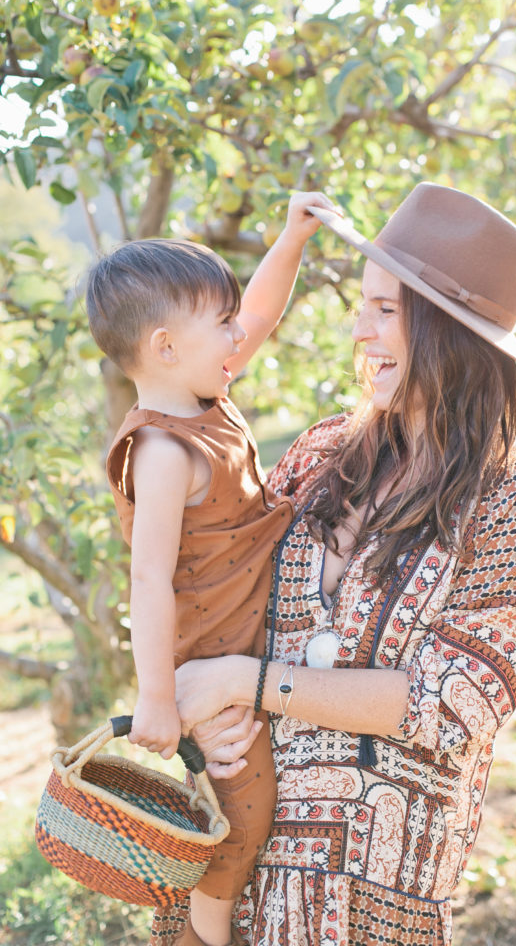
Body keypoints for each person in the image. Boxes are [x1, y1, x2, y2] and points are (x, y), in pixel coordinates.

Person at [165, 182, 516, 946]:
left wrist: (251, 685)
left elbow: (454, 703)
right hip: (229, 864)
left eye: (384, 310)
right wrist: (206, 723)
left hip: (370, 900)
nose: (360, 332)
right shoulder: (321, 453)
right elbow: (229, 593)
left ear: (451, 330)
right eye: (362, 306)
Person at [84, 191, 339, 946]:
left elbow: (260, 314)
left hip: (241, 633)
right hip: (208, 650)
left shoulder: (205, 394)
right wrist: (159, 697)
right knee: (243, 810)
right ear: (165, 346)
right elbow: (148, 580)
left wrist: (291, 237)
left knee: (245, 797)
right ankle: (206, 937)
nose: (240, 333)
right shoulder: (162, 452)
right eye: (219, 323)